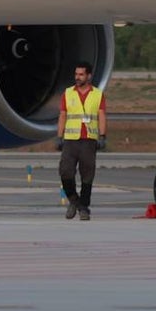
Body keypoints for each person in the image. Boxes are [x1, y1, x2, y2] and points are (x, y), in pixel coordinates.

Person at [55, 61, 106, 221]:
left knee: (87, 176)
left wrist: (102, 136)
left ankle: (84, 207)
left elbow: (101, 115)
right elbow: (63, 115)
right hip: (70, 140)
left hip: (88, 140)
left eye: (81, 74)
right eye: (76, 74)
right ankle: (74, 201)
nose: (77, 77)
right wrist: (59, 136)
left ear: (89, 76)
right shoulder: (68, 93)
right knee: (65, 172)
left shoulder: (97, 94)